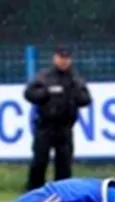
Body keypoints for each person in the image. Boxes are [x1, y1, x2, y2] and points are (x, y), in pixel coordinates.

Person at [24, 47, 92, 191]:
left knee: (64, 164)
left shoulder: (75, 79)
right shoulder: (44, 77)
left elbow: (86, 99)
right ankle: (33, 192)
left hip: (65, 128)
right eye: (61, 58)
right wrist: (46, 93)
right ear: (55, 58)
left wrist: (73, 94)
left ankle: (63, 194)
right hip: (45, 126)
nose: (64, 61)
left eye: (66, 58)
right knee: (39, 161)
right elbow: (29, 94)